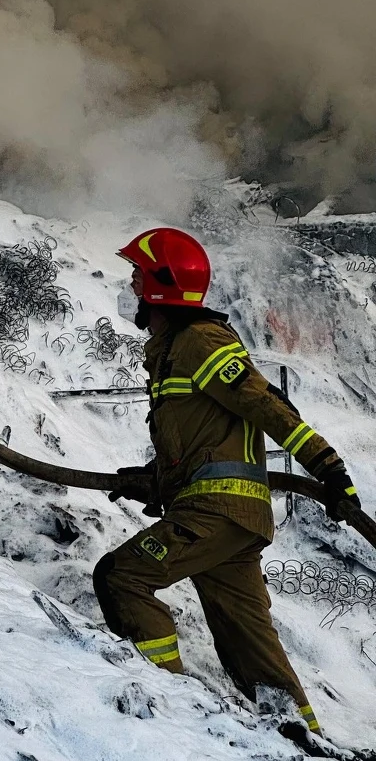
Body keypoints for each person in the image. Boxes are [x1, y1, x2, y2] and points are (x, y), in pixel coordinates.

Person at [94, 227, 362, 736]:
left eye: (138, 274)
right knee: (250, 646)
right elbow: (201, 444)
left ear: (161, 286)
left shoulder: (202, 340)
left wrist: (327, 467)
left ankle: (170, 712)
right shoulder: (173, 350)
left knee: (122, 577)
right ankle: (304, 738)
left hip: (216, 511)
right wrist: (151, 481)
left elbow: (265, 405)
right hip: (224, 518)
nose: (131, 284)